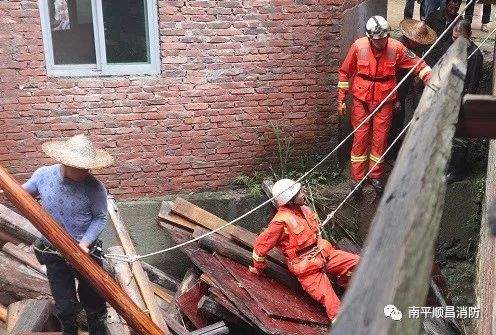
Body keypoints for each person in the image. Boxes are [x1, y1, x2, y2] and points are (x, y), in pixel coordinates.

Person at [27, 134, 114, 335]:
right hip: (53, 251)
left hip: (85, 252)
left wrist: (84, 243)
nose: (86, 170)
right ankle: (69, 330)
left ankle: (98, 331)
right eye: (80, 166)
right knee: (64, 305)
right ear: (65, 162)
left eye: (87, 166)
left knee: (94, 300)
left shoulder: (95, 188)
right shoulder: (43, 176)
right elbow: (25, 193)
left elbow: (100, 217)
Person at [337, 16, 432, 194]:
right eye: (377, 39)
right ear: (370, 37)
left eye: (384, 38)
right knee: (360, 139)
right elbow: (344, 73)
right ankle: (357, 179)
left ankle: (375, 176)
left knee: (380, 140)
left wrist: (429, 78)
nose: (381, 42)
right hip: (361, 100)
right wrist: (341, 99)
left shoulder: (396, 48)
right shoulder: (358, 46)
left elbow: (418, 64)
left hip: (385, 100)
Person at [250, 179, 360, 322]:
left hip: (324, 254)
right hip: (308, 269)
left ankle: (343, 284)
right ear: (290, 199)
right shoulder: (280, 222)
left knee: (357, 262)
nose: (304, 193)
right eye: (300, 192)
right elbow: (260, 246)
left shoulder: (305, 210)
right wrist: (259, 267)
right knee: (334, 306)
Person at [388, 19, 437, 159]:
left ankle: (396, 149)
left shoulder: (416, 47)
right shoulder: (398, 48)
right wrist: (395, 98)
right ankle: (389, 153)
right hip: (394, 89)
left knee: (401, 119)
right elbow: (391, 76)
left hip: (407, 87)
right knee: (393, 121)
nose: (420, 43)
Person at [446, 20, 483, 183]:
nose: (455, 41)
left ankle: (458, 171)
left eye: (458, 38)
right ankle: (450, 167)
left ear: (467, 36)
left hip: (462, 102)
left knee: (460, 138)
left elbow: (472, 84)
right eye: (453, 37)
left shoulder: (474, 55)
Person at [425, 0, 462, 66]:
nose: (453, 11)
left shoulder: (459, 21)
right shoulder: (433, 16)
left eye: (456, 8)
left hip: (447, 57)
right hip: (430, 54)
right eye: (451, 7)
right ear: (446, 5)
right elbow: (424, 37)